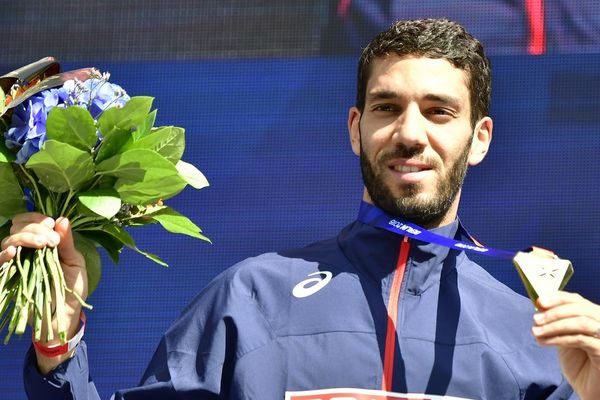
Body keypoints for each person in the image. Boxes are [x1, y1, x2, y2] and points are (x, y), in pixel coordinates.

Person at [4, 18, 600, 399]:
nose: (410, 133)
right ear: (354, 127)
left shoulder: (538, 342)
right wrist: (59, 349)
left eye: (439, 111)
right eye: (387, 107)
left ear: (481, 137)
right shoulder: (248, 301)